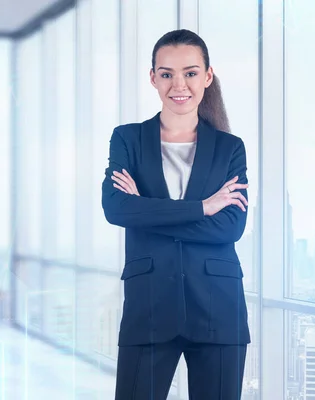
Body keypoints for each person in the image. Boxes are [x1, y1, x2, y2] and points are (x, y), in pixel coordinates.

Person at [102, 29, 251, 400]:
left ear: (207, 76)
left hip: (219, 307)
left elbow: (230, 227)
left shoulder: (230, 148)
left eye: (190, 72)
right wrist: (202, 207)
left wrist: (146, 212)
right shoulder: (128, 139)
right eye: (166, 73)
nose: (178, 84)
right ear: (153, 78)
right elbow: (117, 208)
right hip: (148, 305)